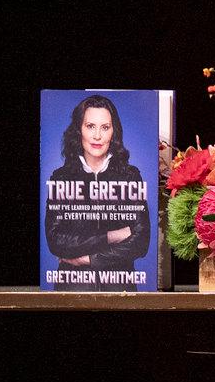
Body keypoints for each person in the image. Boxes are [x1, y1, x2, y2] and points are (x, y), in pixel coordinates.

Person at [44, 95, 150, 275]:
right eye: (90, 126)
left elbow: (141, 242)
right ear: (79, 130)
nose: (97, 136)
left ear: (113, 132)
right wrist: (111, 236)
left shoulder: (130, 177)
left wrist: (90, 260)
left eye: (105, 127)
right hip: (73, 288)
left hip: (120, 288)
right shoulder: (61, 178)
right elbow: (55, 241)